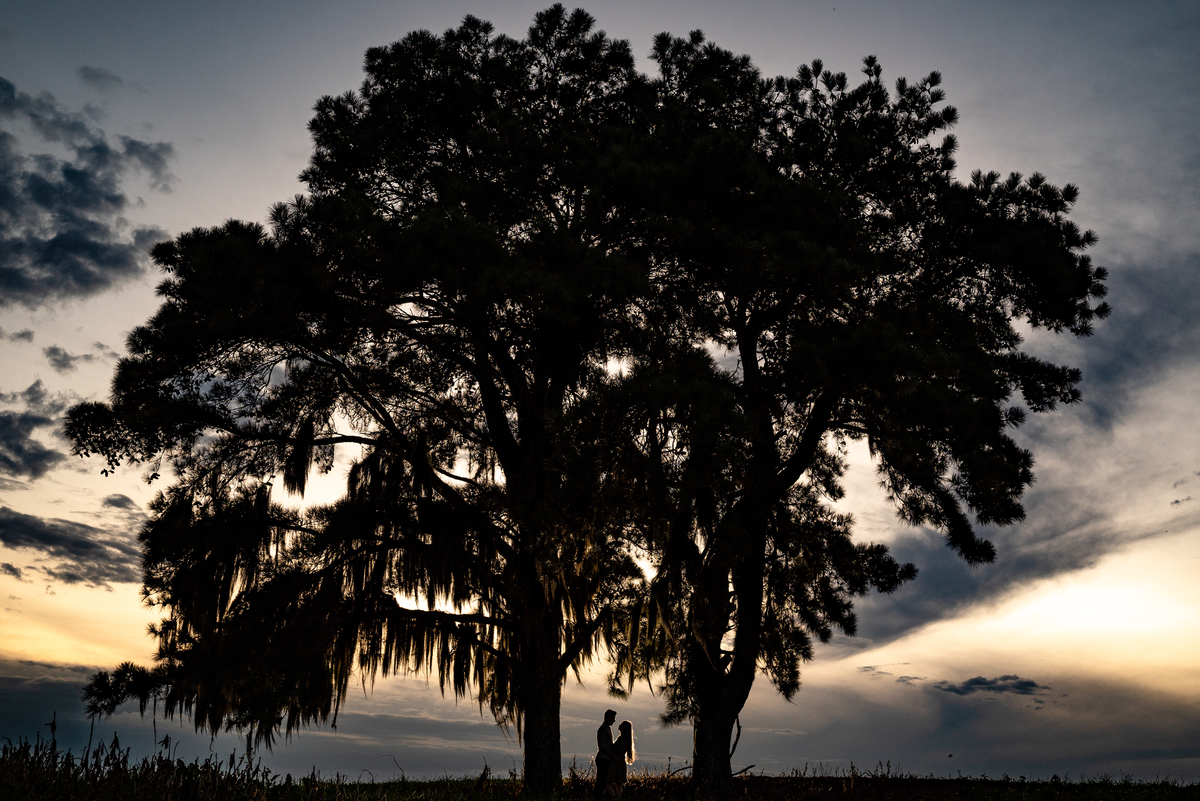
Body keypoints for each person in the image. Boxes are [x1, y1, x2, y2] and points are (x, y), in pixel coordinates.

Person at [604, 720, 635, 798]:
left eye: (621, 725)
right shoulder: (625, 740)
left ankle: (613, 798)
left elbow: (615, 750)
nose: (619, 725)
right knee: (619, 784)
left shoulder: (622, 739)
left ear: (623, 728)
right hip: (620, 763)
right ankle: (618, 798)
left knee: (608, 782)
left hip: (616, 763)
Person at [593, 709, 617, 796]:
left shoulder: (607, 729)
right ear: (608, 717)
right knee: (601, 781)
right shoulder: (603, 729)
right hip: (603, 759)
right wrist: (612, 755)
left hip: (605, 759)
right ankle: (596, 796)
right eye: (613, 718)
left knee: (603, 781)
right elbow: (602, 745)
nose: (614, 720)